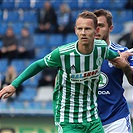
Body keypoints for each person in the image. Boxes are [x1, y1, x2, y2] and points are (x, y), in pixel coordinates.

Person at [0, 11, 132, 133]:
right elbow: (38, 65)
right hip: (68, 119)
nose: (83, 33)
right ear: (75, 31)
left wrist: (123, 61)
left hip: (92, 118)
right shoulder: (63, 53)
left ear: (95, 30)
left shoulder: (101, 49)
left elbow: (117, 57)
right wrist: (14, 84)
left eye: (87, 29)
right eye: (80, 29)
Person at [94, 9, 133, 133]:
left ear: (110, 28)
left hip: (116, 119)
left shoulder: (122, 52)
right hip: (89, 121)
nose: (96, 30)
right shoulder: (78, 54)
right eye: (93, 26)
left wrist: (125, 66)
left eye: (100, 25)